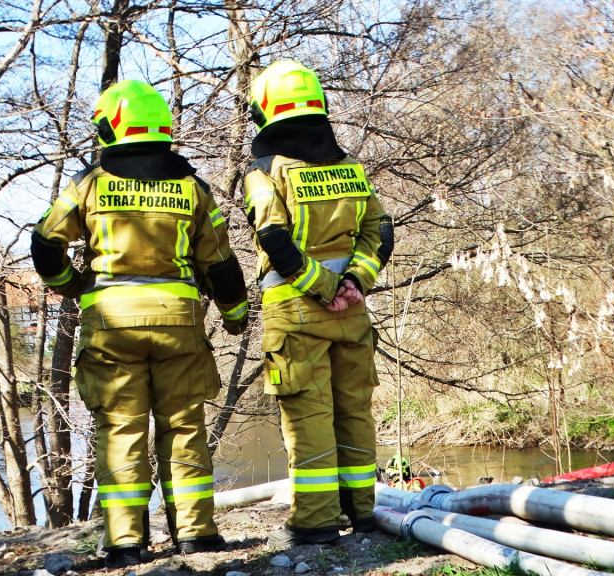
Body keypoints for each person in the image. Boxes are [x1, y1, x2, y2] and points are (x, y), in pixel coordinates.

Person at [31, 79, 249, 568]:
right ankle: (195, 535)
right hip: (179, 325)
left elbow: (46, 244)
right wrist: (235, 316)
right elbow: (221, 264)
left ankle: (125, 541)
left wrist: (73, 285)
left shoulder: (89, 184)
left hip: (111, 326)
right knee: (185, 427)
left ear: (110, 126)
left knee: (119, 430)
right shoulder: (191, 187)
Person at [242, 60, 394, 547]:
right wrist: (354, 283)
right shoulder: (350, 169)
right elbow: (381, 230)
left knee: (308, 417)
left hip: (296, 310)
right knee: (354, 411)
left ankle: (315, 522)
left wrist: (322, 287)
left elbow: (273, 237)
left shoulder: (266, 172)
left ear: (264, 110)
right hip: (351, 312)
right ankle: (363, 513)